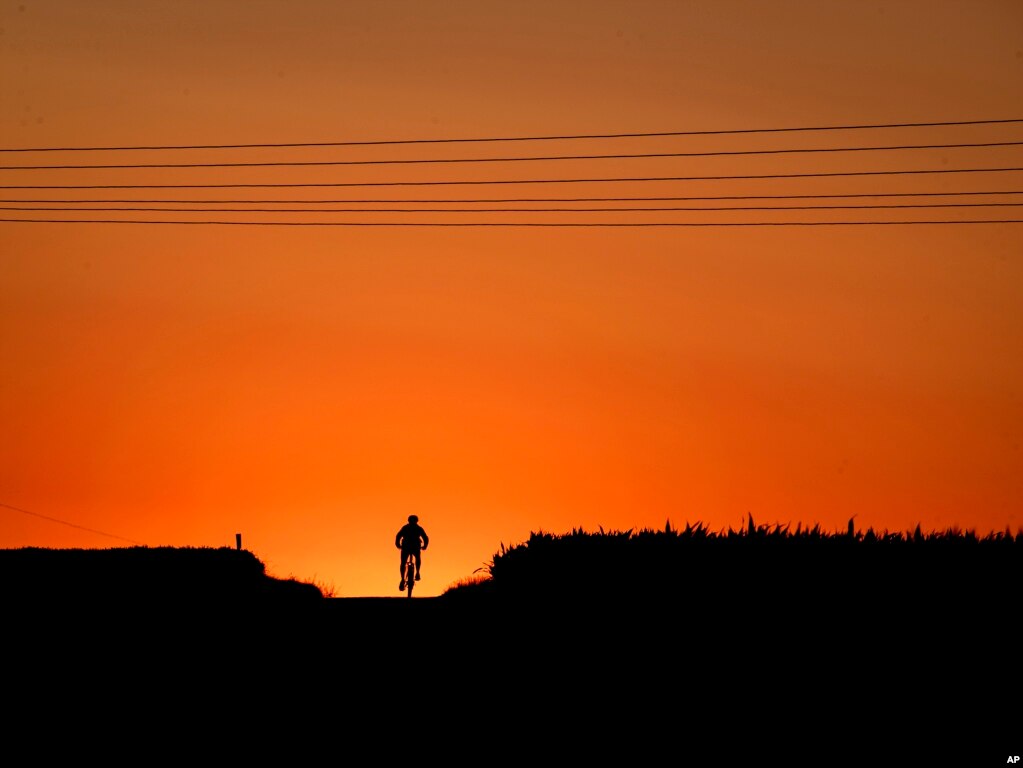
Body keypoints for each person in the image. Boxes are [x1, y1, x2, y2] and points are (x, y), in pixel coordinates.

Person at [396, 514, 429, 591]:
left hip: (406, 546)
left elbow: (398, 536)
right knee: (417, 558)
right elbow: (425, 538)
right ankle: (417, 573)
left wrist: (398, 544)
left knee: (403, 562)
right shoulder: (418, 528)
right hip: (414, 546)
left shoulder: (405, 528)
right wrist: (425, 546)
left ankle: (403, 579)